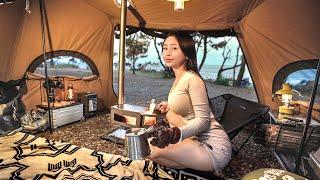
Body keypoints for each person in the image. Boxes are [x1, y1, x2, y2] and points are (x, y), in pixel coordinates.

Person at [148, 32, 232, 173]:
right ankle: (191, 164)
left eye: (174, 48)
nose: (167, 52)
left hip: (212, 147)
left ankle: (198, 163)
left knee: (150, 147)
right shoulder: (179, 78)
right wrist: (169, 105)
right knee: (151, 147)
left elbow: (204, 121)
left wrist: (175, 134)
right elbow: (186, 105)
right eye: (165, 48)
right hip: (194, 140)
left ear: (186, 53)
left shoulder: (192, 79)